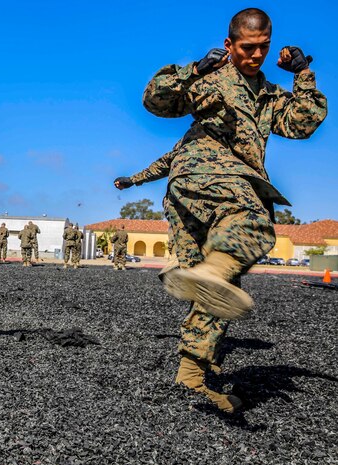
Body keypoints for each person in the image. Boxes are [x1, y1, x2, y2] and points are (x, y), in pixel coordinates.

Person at [122, 8, 327, 413]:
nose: (255, 55)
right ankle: (206, 271)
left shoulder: (269, 96)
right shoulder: (212, 77)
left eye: (263, 48)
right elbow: (156, 101)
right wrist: (194, 69)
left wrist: (302, 74)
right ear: (230, 44)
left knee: (220, 287)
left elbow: (303, 124)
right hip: (202, 176)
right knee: (255, 222)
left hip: (216, 188)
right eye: (247, 48)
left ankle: (191, 377)